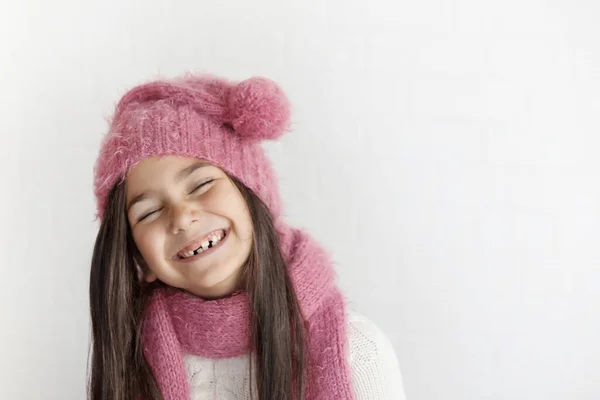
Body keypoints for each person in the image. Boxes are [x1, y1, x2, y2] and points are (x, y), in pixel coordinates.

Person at [88, 72, 406, 400]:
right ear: (138, 256)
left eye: (201, 185)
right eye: (149, 212)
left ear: (253, 196)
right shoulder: (130, 363)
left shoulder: (358, 353)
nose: (182, 217)